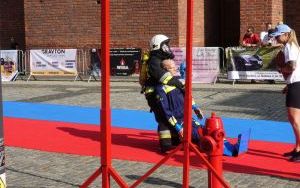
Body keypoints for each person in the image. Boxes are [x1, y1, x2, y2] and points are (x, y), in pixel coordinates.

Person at [155, 59, 248, 156]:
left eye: (175, 67)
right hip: (178, 122)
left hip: (187, 118)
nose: (175, 70)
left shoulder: (177, 82)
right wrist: (178, 128)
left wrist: (195, 108)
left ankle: (232, 147)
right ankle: (230, 151)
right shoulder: (160, 88)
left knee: (208, 129)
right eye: (172, 68)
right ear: (165, 70)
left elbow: (188, 96)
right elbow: (166, 111)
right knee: (200, 134)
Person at [141, 34, 185, 151]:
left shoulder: (158, 59)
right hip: (155, 95)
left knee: (170, 116)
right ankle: (165, 145)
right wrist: (181, 85)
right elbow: (165, 78)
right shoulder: (154, 61)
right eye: (165, 45)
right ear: (158, 46)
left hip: (160, 93)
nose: (167, 47)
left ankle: (174, 140)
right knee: (163, 119)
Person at [271, 24, 300, 162]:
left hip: (297, 85)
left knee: (295, 120)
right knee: (293, 119)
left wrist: (280, 69)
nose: (276, 37)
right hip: (295, 84)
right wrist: (289, 84)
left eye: (278, 35)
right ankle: (298, 148)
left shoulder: (290, 46)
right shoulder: (291, 46)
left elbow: (292, 66)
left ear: (286, 34)